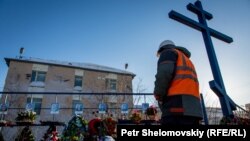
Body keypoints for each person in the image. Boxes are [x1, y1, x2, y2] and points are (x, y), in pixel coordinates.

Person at [154, 40, 203, 125]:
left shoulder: (168, 52)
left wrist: (159, 95)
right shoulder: (186, 59)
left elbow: (163, 74)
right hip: (194, 109)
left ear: (162, 49)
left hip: (177, 105)